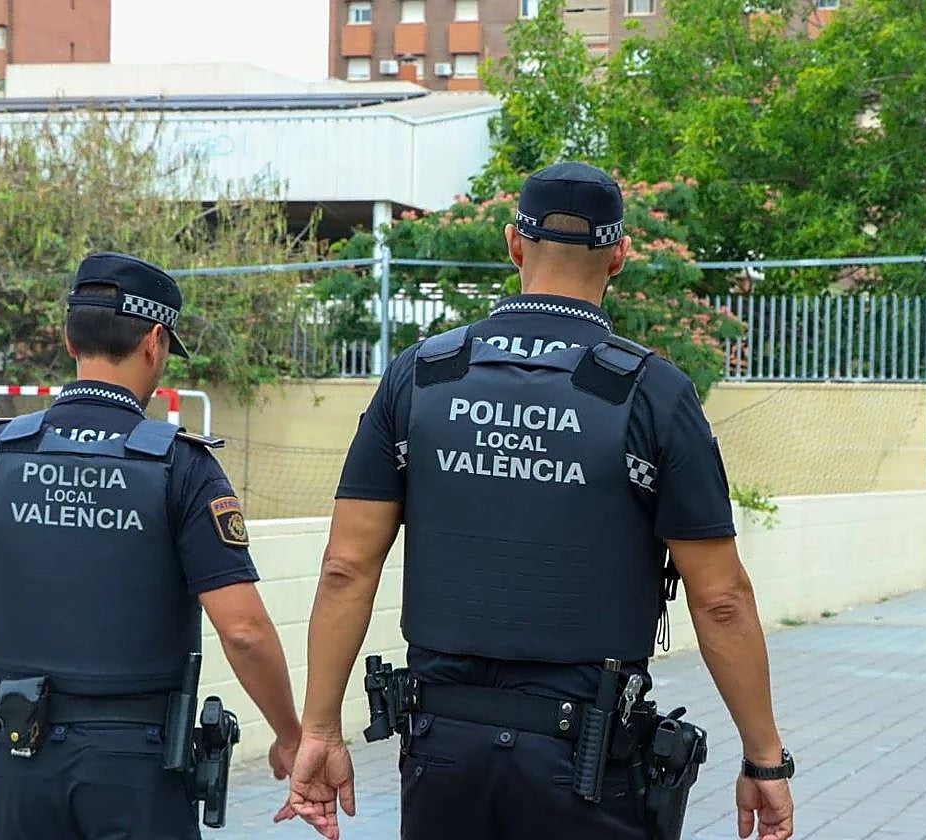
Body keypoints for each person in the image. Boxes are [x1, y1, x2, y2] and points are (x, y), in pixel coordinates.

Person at [279, 163, 795, 840]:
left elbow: (346, 567)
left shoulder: (420, 376)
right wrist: (764, 760)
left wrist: (319, 729)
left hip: (442, 754)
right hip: (586, 761)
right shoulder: (654, 394)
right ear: (620, 254)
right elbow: (721, 599)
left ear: (513, 244)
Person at [0, 252, 302, 840]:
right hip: (139, 768)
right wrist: (292, 737)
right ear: (155, 340)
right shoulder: (181, 465)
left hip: (22, 762)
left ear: (70, 339)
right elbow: (242, 630)